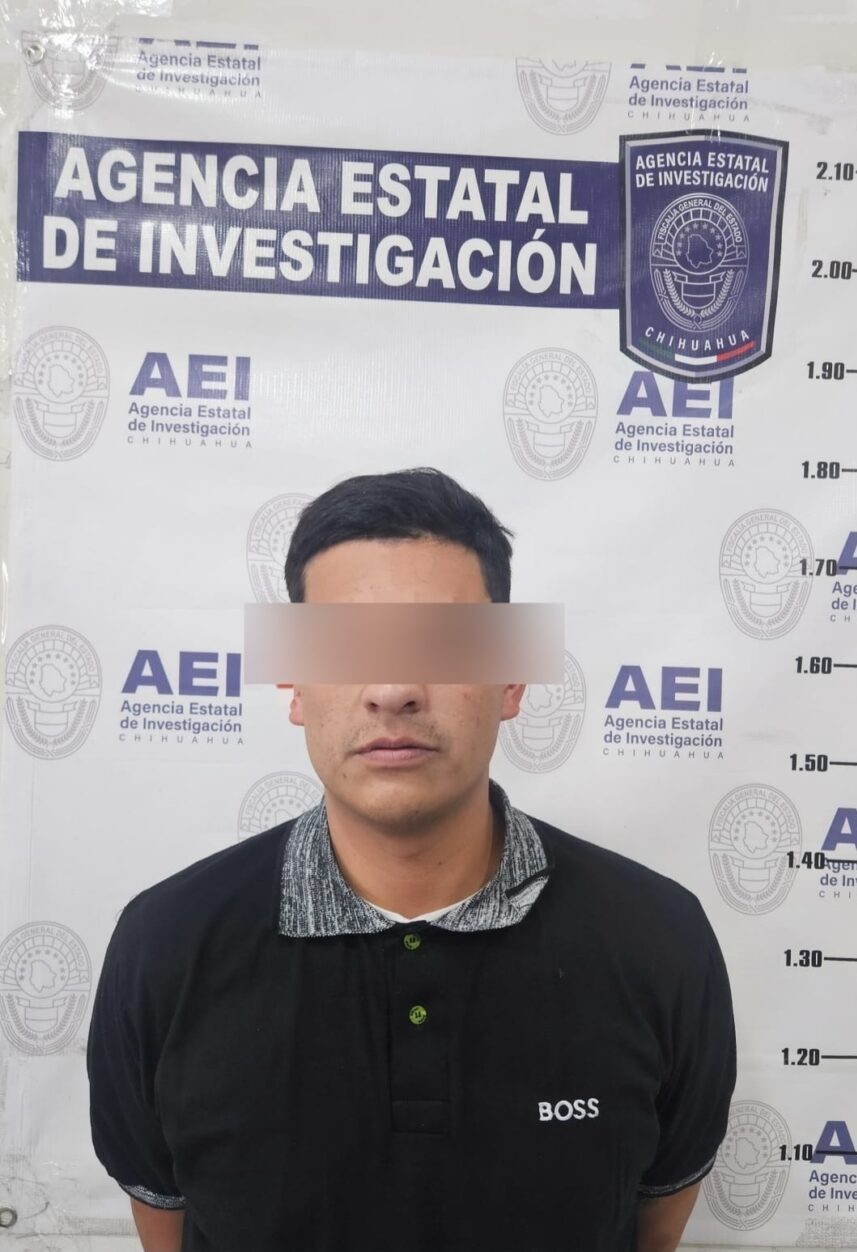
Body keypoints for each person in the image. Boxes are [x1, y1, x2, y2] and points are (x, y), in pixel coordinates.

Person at [86, 466, 736, 1252]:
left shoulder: (659, 940)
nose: (392, 688)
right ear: (295, 683)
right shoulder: (165, 946)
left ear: (512, 679)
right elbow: (165, 1218)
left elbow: (652, 1220)